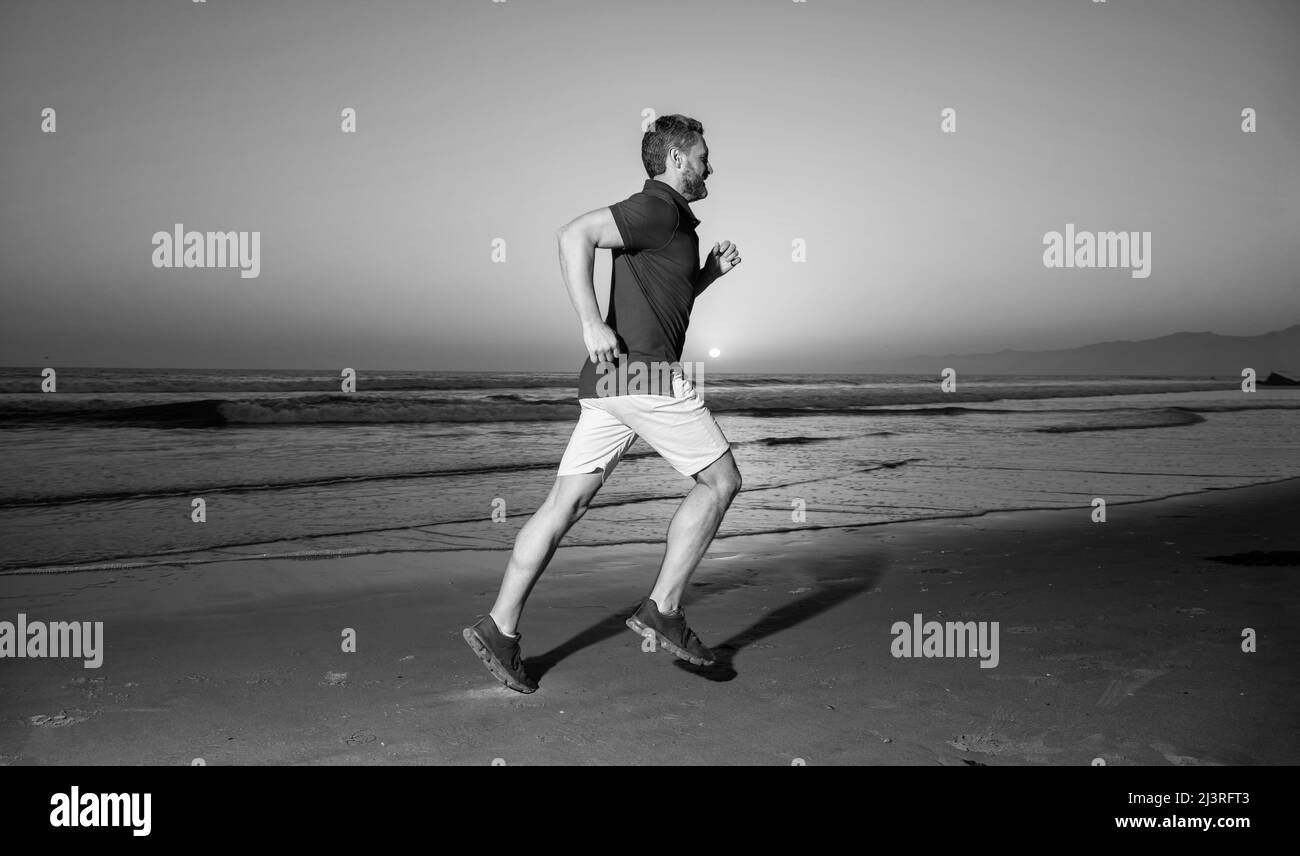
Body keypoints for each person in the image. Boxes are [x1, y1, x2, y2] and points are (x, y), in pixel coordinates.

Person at [463, 114, 743, 693]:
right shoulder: (656, 209)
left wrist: (708, 275)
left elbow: (665, 297)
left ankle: (500, 628)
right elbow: (574, 234)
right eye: (702, 157)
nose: (710, 166)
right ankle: (663, 608)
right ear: (675, 159)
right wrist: (591, 322)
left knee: (564, 504)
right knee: (720, 482)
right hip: (645, 375)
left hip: (609, 382)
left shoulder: (672, 225)